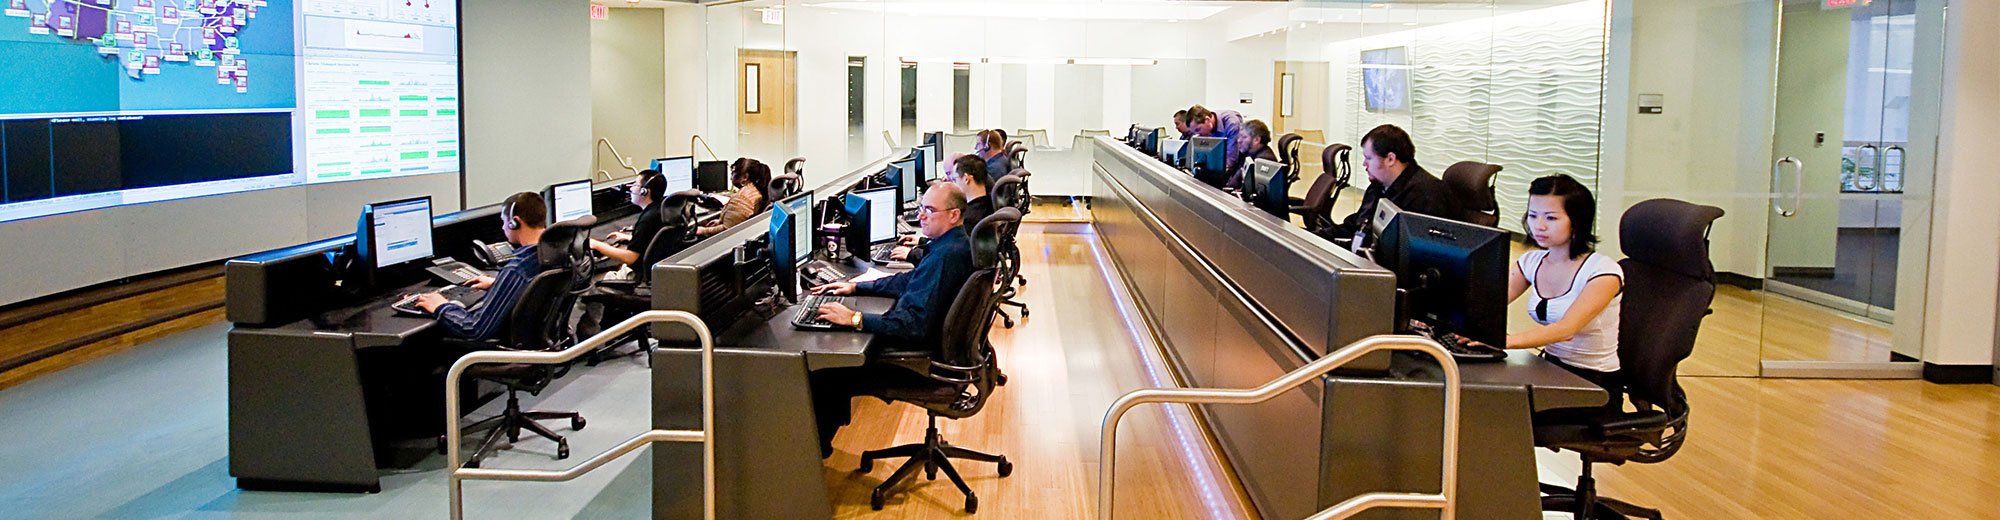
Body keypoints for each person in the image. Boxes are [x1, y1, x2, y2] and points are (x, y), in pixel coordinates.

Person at [806, 183, 977, 457]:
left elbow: (912, 325)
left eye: (929, 210)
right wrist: (857, 287)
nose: (921, 216)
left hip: (922, 361)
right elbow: (909, 280)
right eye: (921, 208)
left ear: (954, 214)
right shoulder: (951, 245)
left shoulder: (945, 257)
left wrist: (855, 318)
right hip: (940, 350)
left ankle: (814, 457)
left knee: (824, 374)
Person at [1492, 174, 1623, 399]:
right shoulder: (1531, 262)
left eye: (1551, 218)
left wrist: (1503, 341)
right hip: (1550, 368)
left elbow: (1565, 330)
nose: (1539, 226)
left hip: (1593, 382)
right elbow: (1489, 302)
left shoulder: (1603, 272)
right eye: (1533, 215)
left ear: (1577, 221)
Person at [414, 192, 547, 341]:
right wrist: (501, 284)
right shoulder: (554, 254)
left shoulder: (518, 269)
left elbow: (475, 329)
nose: (503, 227)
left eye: (504, 221)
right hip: (544, 342)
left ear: (514, 222)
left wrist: (441, 306)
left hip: (508, 350)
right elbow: (538, 289)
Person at [1334, 124, 1453, 242]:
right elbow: (1356, 225)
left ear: (1390, 159)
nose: (1364, 164)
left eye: (1369, 158)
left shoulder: (1426, 195)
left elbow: (1417, 248)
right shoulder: (1378, 186)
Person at [894, 154, 994, 263]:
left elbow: (948, 254)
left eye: (954, 179)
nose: (950, 183)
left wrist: (911, 254)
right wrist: (923, 241)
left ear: (966, 179)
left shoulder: (969, 219)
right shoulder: (986, 205)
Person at [696, 157, 772, 236]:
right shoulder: (757, 190)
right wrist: (720, 221)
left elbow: (727, 230)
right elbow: (738, 220)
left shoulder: (742, 198)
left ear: (745, 177)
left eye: (733, 172)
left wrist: (703, 230)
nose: (731, 176)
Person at [1186, 104, 1249, 175]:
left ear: (1207, 120)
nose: (1198, 135)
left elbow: (1231, 160)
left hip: (1237, 167)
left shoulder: (1232, 123)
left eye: (1198, 130)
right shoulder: (1209, 126)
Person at [1225, 119, 1279, 190]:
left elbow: (1236, 185)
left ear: (1256, 140)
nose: (1239, 140)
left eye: (1244, 137)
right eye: (1239, 137)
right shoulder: (1247, 154)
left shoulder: (1264, 160)